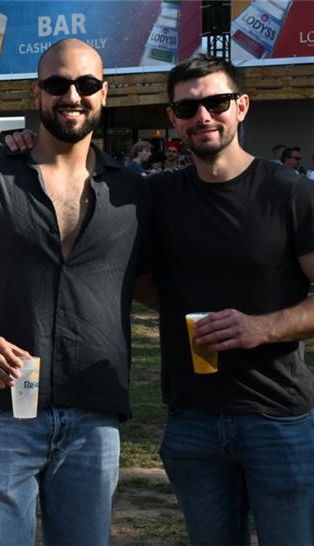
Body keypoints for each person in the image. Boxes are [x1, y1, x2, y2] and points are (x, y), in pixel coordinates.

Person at [0, 38, 150, 546]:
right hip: (2, 407)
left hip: (94, 413)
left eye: (86, 84)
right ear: (37, 93)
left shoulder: (134, 191)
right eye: (57, 84)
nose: (72, 95)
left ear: (104, 93)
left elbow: (156, 278)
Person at [147, 54, 314, 545]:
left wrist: (262, 327)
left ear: (242, 106)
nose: (203, 116)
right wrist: (18, 147)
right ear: (173, 117)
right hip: (191, 419)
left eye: (217, 103)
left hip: (277, 418)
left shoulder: (289, 192)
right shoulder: (158, 196)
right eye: (187, 108)